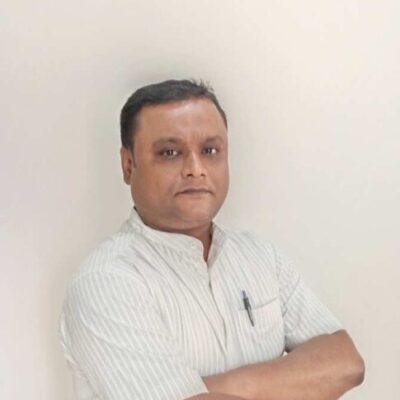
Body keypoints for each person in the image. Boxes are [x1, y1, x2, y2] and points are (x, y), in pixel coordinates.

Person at [59, 79, 365, 400]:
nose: (195, 169)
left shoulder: (259, 257)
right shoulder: (107, 282)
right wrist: (298, 380)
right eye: (170, 152)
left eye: (210, 150)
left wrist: (199, 390)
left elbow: (346, 363)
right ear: (128, 165)